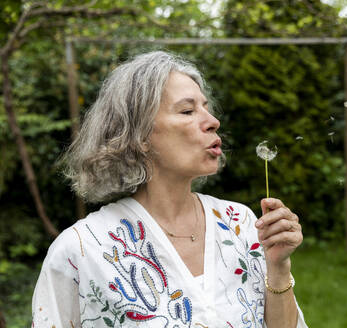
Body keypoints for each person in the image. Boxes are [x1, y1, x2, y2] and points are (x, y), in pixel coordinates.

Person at [32, 51, 307, 328]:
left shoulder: (242, 224)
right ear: (139, 136)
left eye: (206, 107)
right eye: (187, 111)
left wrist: (278, 267)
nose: (213, 121)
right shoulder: (81, 250)